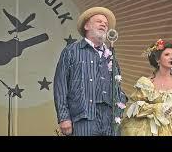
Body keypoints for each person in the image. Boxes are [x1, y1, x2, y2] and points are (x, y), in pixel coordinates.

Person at [53, 7, 126, 136]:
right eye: (99, 21)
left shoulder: (110, 55)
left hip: (110, 119)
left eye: (106, 24)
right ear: (86, 26)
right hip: (84, 118)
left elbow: (117, 86)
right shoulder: (72, 51)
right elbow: (60, 85)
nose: (104, 24)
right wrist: (64, 117)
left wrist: (121, 104)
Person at [120, 39, 172, 136]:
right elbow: (135, 107)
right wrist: (157, 108)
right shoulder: (147, 83)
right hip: (155, 130)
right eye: (167, 55)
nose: (171, 58)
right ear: (157, 59)